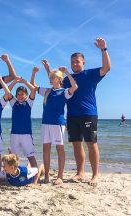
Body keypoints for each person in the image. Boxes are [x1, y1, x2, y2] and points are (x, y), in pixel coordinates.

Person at [43, 38, 111, 185]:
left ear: (83, 63)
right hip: (72, 115)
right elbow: (54, 80)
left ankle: (95, 175)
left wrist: (103, 49)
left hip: (88, 113)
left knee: (91, 143)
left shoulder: (90, 74)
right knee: (76, 144)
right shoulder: (67, 79)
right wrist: (48, 68)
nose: (74, 64)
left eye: (77, 61)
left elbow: (106, 68)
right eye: (72, 61)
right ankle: (80, 173)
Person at [32, 67, 78, 185]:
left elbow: (75, 87)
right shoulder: (47, 91)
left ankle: (60, 177)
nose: (51, 79)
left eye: (53, 77)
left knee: (59, 149)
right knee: (46, 149)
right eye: (50, 77)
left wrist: (67, 72)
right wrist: (33, 73)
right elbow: (33, 86)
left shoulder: (64, 91)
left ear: (59, 79)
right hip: (45, 123)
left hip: (58, 123)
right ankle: (46, 175)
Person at [7, 68, 38, 168]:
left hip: (26, 134)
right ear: (16, 95)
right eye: (18, 94)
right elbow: (7, 92)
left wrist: (24, 81)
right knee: (13, 157)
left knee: (31, 156)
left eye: (22, 94)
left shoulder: (29, 103)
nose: (20, 96)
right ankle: (13, 174)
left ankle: (35, 178)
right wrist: (15, 81)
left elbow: (33, 89)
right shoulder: (14, 103)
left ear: (26, 95)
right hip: (14, 134)